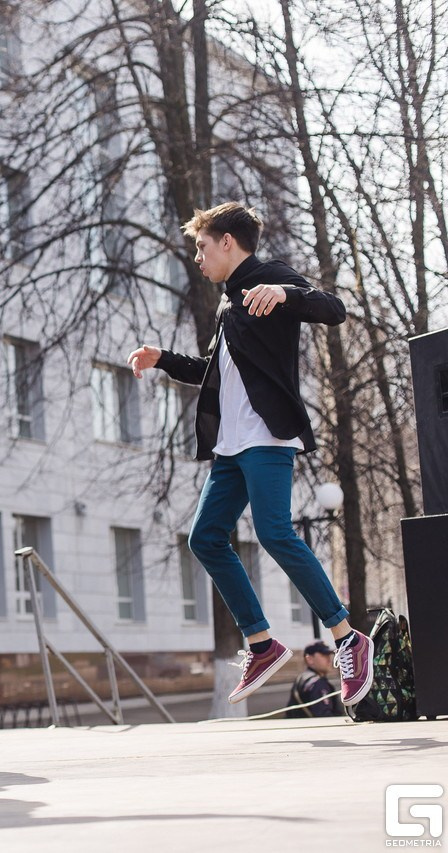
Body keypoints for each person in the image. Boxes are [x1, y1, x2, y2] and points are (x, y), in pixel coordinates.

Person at [127, 202, 373, 707]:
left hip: (266, 434)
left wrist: (286, 292)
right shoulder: (228, 301)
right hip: (232, 444)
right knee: (206, 537)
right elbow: (212, 370)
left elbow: (332, 308)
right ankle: (261, 643)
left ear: (226, 242)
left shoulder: (269, 277)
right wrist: (162, 359)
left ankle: (349, 637)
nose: (198, 257)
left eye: (201, 246)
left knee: (275, 532)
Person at [285, 640, 342, 717]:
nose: (329, 659)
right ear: (309, 659)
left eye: (329, 655)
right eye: (324, 655)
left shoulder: (302, 678)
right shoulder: (318, 683)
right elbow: (325, 717)